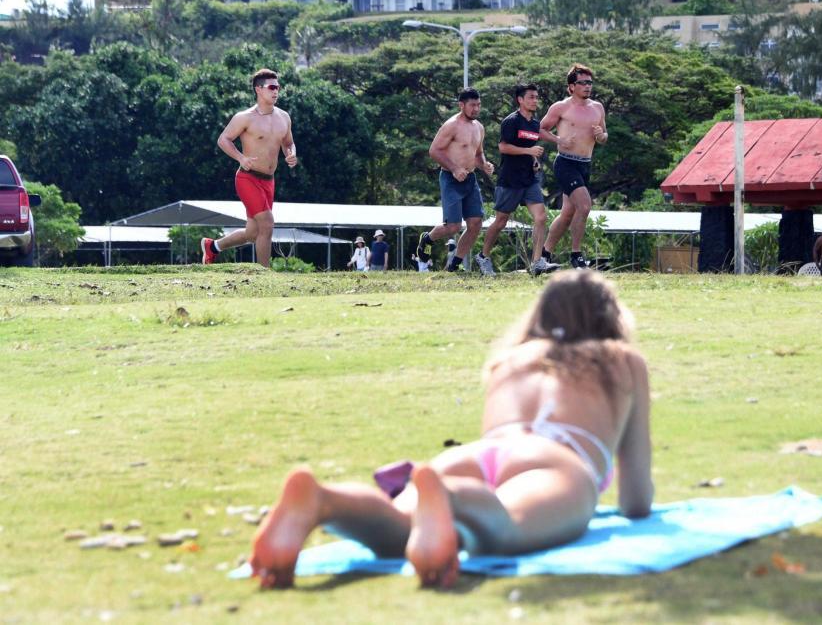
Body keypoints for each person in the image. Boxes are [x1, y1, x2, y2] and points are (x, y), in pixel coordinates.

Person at [248, 269, 653, 590]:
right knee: (504, 525)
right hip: (556, 462)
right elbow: (635, 496)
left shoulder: (510, 360)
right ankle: (447, 497)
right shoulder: (621, 359)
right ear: (609, 317)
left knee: (397, 529)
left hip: (475, 455)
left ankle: (324, 501)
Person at [201, 69, 297, 268]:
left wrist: (291, 153)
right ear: (258, 90)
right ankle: (265, 274)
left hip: (269, 181)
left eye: (278, 87)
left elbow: (288, 142)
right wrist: (240, 158)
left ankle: (213, 247)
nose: (276, 91)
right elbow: (223, 139)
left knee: (253, 233)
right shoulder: (244, 117)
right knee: (267, 224)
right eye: (271, 87)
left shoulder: (284, 117)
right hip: (247, 179)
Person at [475, 84, 563, 277]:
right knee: (500, 221)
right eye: (531, 97)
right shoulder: (511, 121)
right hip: (510, 179)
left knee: (541, 217)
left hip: (529, 179)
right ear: (520, 100)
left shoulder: (534, 124)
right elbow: (503, 147)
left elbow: (528, 146)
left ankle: (537, 262)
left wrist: (533, 161)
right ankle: (483, 256)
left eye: (536, 97)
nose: (535, 100)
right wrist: (529, 151)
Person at [415, 89, 495, 272]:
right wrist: (455, 168)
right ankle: (427, 238)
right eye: (472, 105)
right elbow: (434, 150)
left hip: (470, 178)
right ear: (462, 105)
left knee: (475, 224)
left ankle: (454, 265)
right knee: (453, 226)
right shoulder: (451, 125)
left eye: (478, 105)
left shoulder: (479, 127)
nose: (476, 109)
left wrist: (484, 164)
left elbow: (478, 153)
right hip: (450, 178)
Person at [539, 64, 608, 270]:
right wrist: (559, 139)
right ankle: (576, 255)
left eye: (590, 82)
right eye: (582, 83)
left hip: (585, 164)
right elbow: (540, 129)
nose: (587, 86)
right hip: (565, 162)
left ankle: (544, 254)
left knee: (568, 212)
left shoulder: (597, 107)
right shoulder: (561, 107)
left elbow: (604, 135)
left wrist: (601, 136)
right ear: (571, 87)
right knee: (584, 206)